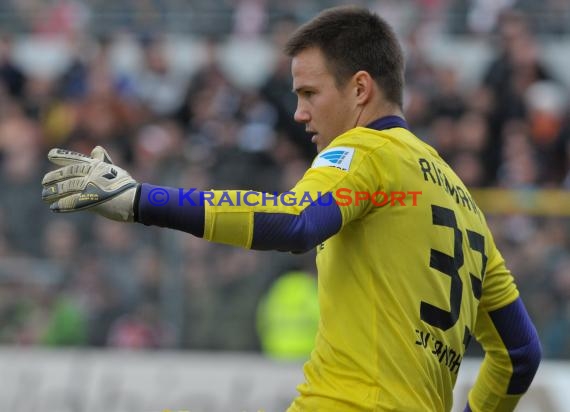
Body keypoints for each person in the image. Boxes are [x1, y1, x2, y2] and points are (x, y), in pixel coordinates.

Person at [41, 6, 541, 411]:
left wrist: (140, 200)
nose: (300, 112)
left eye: (309, 93)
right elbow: (519, 355)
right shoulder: (462, 200)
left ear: (361, 89)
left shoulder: (365, 152)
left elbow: (297, 220)